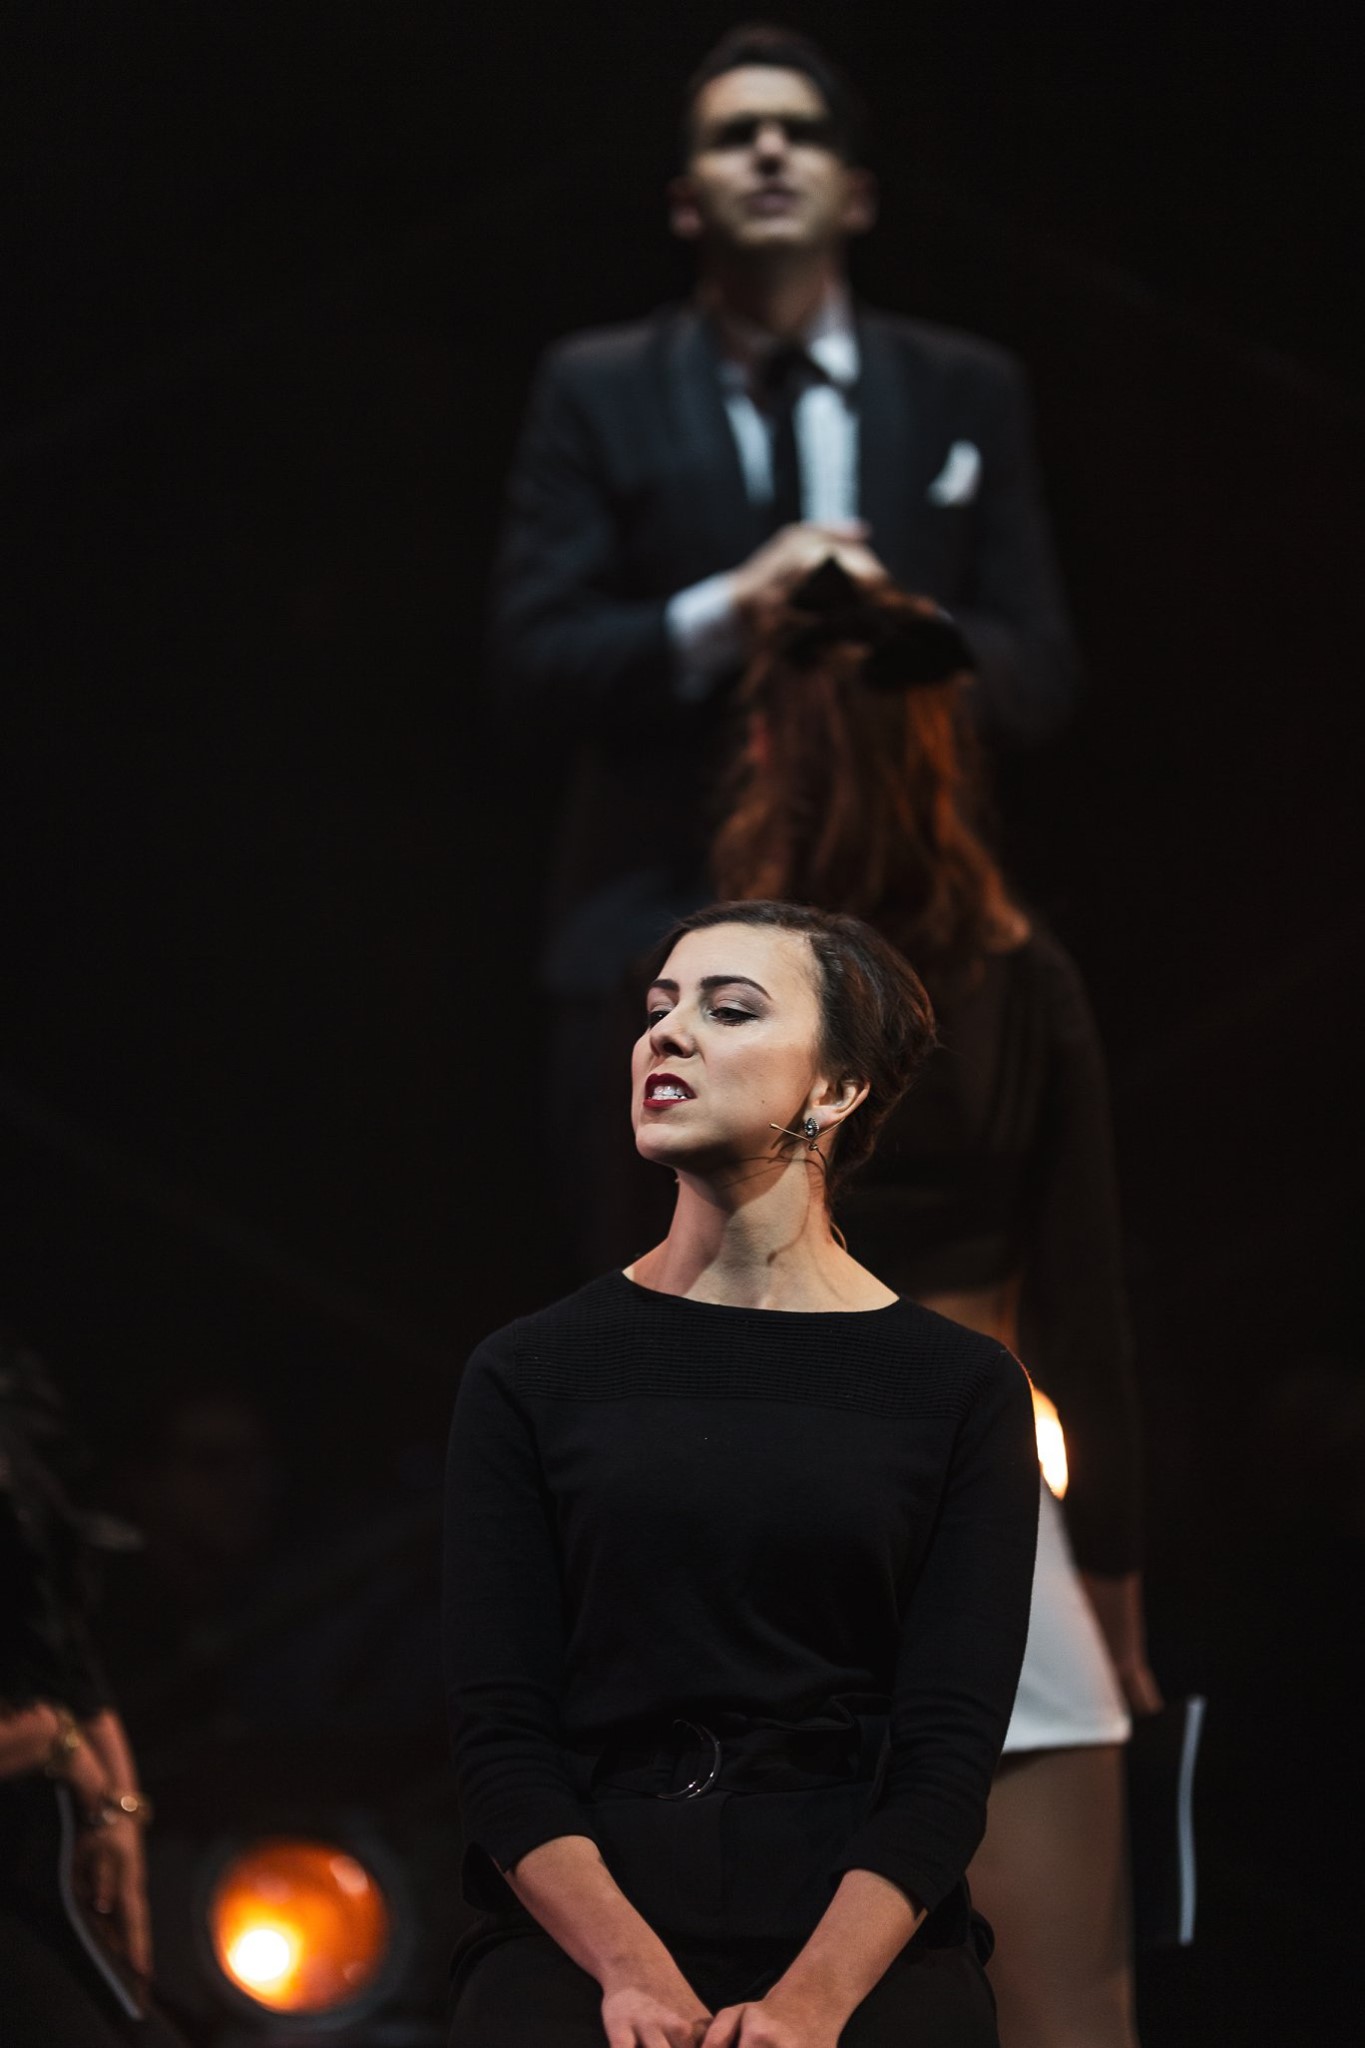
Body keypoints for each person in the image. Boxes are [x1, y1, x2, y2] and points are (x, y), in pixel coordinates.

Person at [486, 23, 1080, 1268]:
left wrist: (899, 631)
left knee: (933, 1302)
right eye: (733, 135)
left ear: (855, 193)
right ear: (684, 199)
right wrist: (730, 610)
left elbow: (1038, 673)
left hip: (912, 940)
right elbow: (535, 659)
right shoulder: (597, 385)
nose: (768, 151)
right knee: (662, 1309)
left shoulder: (966, 388)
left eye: (799, 133)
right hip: (655, 925)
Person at [443, 901, 1040, 2046]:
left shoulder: (957, 1387)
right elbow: (501, 1740)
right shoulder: (531, 1371)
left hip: (850, 1921)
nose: (666, 1034)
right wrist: (633, 1977)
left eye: (729, 1009)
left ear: (836, 1087)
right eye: (659, 1007)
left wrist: (812, 2004)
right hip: (590, 1917)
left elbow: (946, 1757)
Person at [710, 564, 1162, 2046]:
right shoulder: (1024, 978)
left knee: (750, 1998)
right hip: (981, 1505)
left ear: (772, 743)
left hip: (757, 1519)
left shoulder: (716, 995)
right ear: (944, 748)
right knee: (1068, 2010)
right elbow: (1083, 1313)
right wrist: (1112, 1604)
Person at [0, 1334, 185, 2048]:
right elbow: (53, 1720)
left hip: (36, 1860)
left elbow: (61, 1649)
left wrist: (120, 1812)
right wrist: (56, 1744)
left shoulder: (15, 1427)